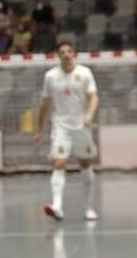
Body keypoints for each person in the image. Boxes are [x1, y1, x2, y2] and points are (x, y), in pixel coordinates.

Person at [35, 41, 100, 222]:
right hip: (60, 127)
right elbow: (45, 105)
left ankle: (88, 208)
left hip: (81, 126)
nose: (66, 54)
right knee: (59, 162)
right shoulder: (50, 77)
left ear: (74, 54)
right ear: (58, 55)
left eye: (69, 51)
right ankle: (57, 206)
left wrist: (89, 115)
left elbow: (94, 97)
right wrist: (38, 131)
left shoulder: (85, 73)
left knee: (86, 164)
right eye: (62, 52)